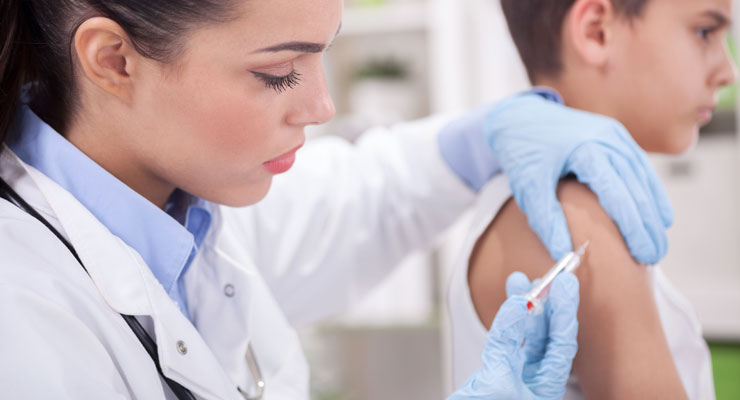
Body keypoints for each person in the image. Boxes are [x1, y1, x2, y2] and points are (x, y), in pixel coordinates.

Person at [0, 0, 671, 398]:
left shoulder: (186, 210)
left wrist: (484, 135)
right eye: (277, 72)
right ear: (114, 59)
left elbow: (359, 201)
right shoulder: (22, 314)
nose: (321, 106)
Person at [447, 0, 736, 399]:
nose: (728, 72)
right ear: (597, 31)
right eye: (705, 31)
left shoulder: (526, 193)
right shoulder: (579, 214)